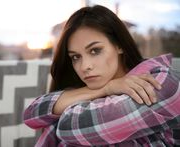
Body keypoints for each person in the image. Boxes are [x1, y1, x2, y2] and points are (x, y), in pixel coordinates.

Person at [23, 5, 180, 147]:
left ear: (119, 45)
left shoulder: (163, 82)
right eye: (75, 57)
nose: (85, 66)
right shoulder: (93, 88)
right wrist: (107, 88)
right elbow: (32, 113)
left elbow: (70, 128)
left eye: (95, 50)